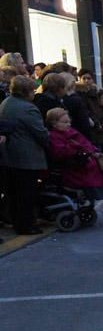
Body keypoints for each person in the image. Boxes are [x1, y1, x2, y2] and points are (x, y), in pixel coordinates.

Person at [0, 76, 49, 235]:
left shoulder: (5, 103)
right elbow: (40, 132)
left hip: (9, 154)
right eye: (32, 91)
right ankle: (26, 225)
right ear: (26, 92)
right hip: (27, 155)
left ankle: (17, 222)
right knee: (26, 193)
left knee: (14, 193)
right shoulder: (28, 108)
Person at [45, 107, 103, 200]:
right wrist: (79, 150)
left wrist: (94, 151)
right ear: (54, 123)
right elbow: (60, 152)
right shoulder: (54, 136)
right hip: (75, 166)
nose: (68, 125)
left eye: (69, 122)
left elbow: (87, 143)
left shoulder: (72, 131)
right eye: (64, 122)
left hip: (84, 162)